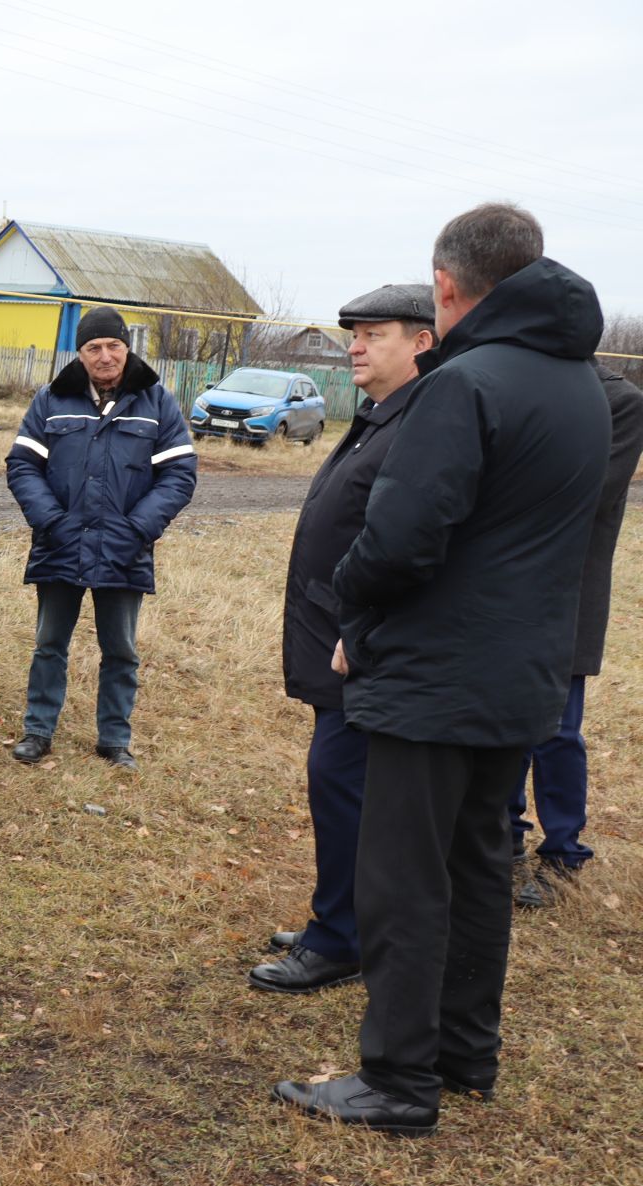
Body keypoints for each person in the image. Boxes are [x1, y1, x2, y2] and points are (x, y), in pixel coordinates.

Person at [273, 204, 610, 1135]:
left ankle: (396, 1079)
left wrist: (356, 610)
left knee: (403, 880)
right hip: (522, 677)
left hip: (432, 681)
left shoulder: (462, 386)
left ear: (448, 289)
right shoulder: (583, 385)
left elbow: (402, 536)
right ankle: (465, 1055)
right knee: (474, 870)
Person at [251, 284, 437, 996]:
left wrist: (360, 631)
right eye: (353, 333)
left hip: (366, 649)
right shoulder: (382, 414)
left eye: (373, 333)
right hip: (340, 638)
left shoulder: (420, 423)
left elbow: (406, 545)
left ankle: (342, 940)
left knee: (344, 786)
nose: (354, 346)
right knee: (341, 786)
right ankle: (340, 919)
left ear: (422, 340)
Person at [5, 307, 197, 770]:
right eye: (94, 347)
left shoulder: (156, 401)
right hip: (61, 542)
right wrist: (52, 521)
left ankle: (114, 739)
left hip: (124, 548)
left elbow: (179, 474)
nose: (105, 356)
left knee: (122, 650)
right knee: (50, 642)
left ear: (127, 348)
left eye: (113, 346)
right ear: (81, 352)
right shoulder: (51, 399)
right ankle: (38, 730)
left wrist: (136, 529)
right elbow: (22, 465)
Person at [509, 369, 643, 908]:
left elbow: (592, 493)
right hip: (503, 590)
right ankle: (505, 839)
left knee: (557, 730)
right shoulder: (521, 383)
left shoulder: (620, 401)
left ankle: (563, 854)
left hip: (569, 595)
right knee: (501, 724)